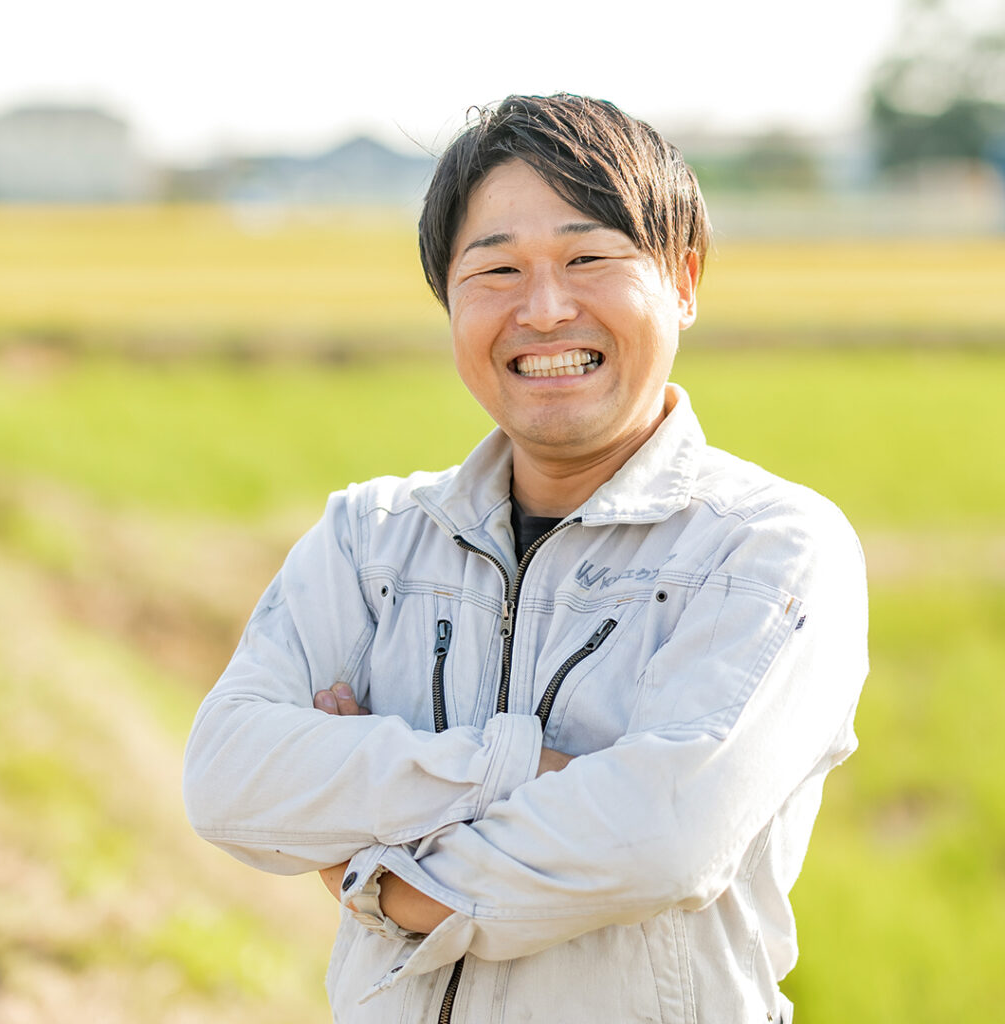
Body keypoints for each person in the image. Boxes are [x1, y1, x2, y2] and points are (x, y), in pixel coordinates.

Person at [183, 93, 868, 1023]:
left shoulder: (768, 550)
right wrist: (521, 768)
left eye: (589, 258)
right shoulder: (371, 539)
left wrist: (379, 880)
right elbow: (228, 779)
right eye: (496, 269)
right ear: (451, 304)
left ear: (684, 281)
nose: (544, 309)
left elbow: (663, 838)